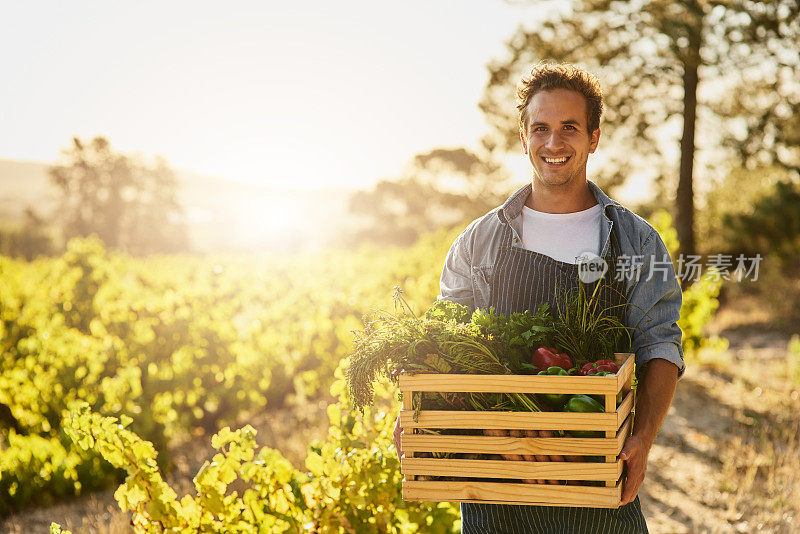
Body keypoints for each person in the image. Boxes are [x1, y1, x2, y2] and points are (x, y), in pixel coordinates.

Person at [393, 62, 684, 533]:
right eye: (541, 128)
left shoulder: (635, 241)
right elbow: (443, 343)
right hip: (495, 488)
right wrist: (415, 411)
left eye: (570, 127)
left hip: (596, 484)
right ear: (523, 136)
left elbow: (660, 344)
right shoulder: (479, 242)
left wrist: (643, 439)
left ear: (594, 137)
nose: (554, 143)